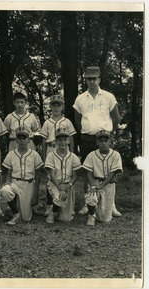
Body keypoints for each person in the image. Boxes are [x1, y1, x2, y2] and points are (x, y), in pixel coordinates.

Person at [73, 66, 121, 217]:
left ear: (99, 79)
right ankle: (89, 204)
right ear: (85, 80)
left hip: (105, 138)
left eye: (94, 78)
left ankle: (111, 205)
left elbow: (116, 118)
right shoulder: (80, 99)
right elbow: (78, 120)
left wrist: (108, 135)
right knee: (89, 171)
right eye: (89, 78)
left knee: (109, 171)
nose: (92, 81)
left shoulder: (108, 97)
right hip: (87, 139)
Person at [39, 94, 76, 216]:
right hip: (51, 148)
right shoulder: (47, 122)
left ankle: (68, 204)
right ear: (50, 107)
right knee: (51, 178)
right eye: (54, 105)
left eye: (58, 105)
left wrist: (72, 153)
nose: (56, 108)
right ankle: (50, 206)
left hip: (65, 150)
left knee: (65, 175)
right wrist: (44, 156)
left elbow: (71, 138)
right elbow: (44, 140)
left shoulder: (67, 121)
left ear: (62, 107)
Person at [0, 127, 44, 225]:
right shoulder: (11, 154)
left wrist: (36, 193)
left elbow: (38, 174)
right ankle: (16, 213)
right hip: (15, 182)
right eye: (19, 138)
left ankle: (25, 209)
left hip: (29, 184)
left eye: (24, 138)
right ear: (16, 140)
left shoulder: (34, 154)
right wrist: (7, 180)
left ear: (28, 140)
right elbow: (9, 170)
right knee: (5, 190)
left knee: (26, 218)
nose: (22, 140)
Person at [82, 130, 123, 226]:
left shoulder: (115, 155)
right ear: (97, 142)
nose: (103, 143)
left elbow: (113, 174)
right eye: (101, 141)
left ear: (110, 142)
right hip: (95, 181)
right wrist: (92, 184)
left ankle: (101, 210)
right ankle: (91, 215)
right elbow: (88, 172)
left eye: (106, 140)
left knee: (104, 219)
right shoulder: (92, 155)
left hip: (108, 184)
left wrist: (102, 185)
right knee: (91, 195)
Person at [44, 128, 81, 224]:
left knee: (65, 219)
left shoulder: (73, 156)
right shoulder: (51, 155)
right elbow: (51, 175)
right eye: (59, 140)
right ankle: (53, 212)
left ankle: (61, 210)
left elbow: (75, 176)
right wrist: (60, 188)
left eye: (65, 139)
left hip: (68, 185)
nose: (62, 142)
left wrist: (68, 186)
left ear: (68, 141)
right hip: (55, 184)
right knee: (59, 197)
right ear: (55, 141)